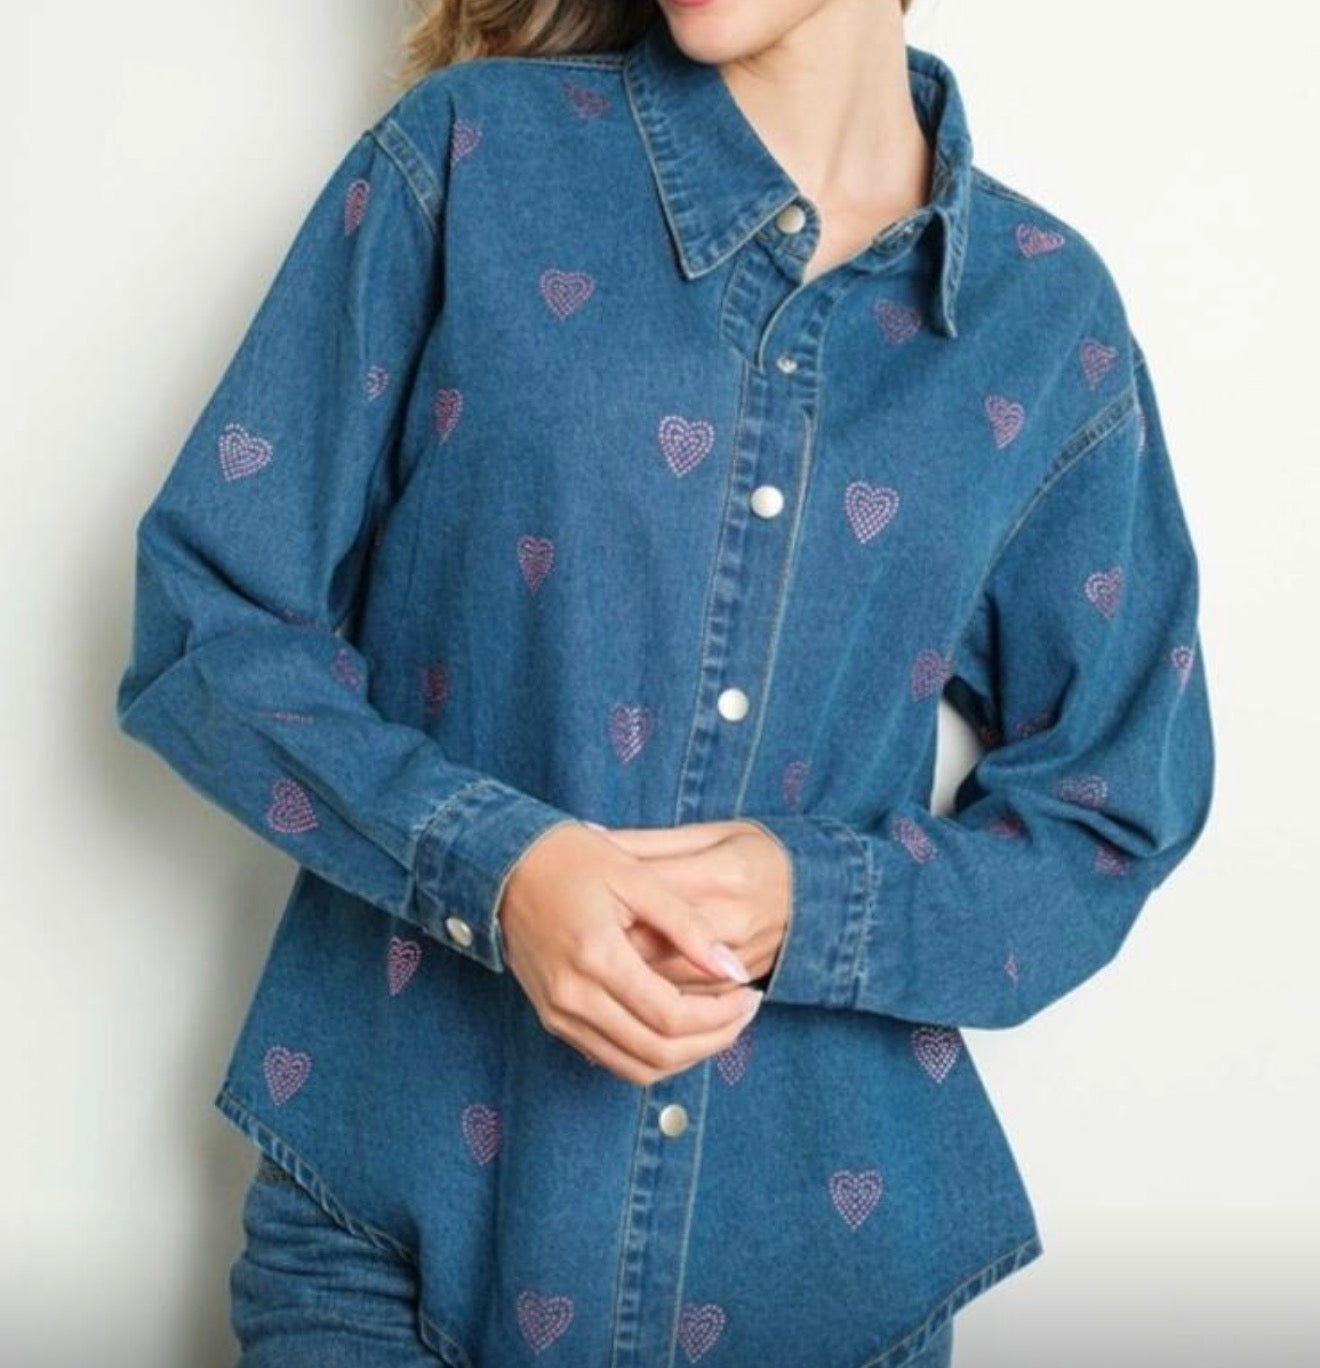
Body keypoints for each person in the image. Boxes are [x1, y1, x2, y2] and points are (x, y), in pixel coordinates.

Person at [114, 1, 1215, 1365]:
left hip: (818, 1288)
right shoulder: (467, 160)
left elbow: (1112, 810)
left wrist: (810, 901)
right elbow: (209, 616)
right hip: (392, 1240)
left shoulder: (1043, 323)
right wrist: (494, 869)